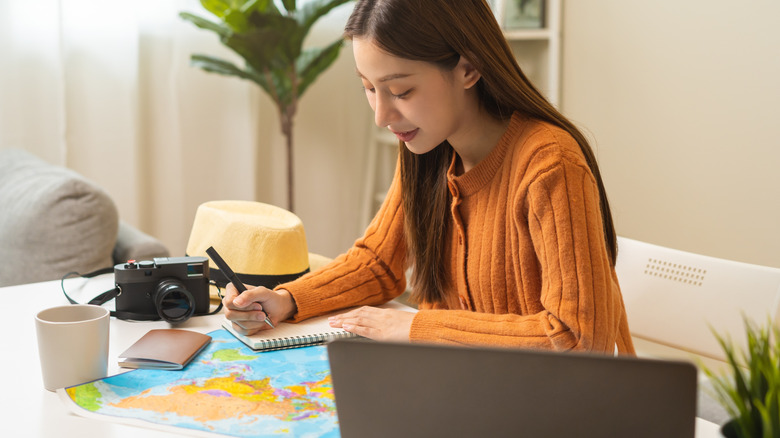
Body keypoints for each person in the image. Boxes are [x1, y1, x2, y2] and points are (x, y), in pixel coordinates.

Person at [223, 0, 635, 355]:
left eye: (401, 91)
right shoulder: (428, 148)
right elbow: (378, 263)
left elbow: (579, 337)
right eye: (369, 88)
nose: (382, 116)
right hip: (463, 385)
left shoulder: (550, 164)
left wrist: (418, 328)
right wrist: (286, 299)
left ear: (469, 68)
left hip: (558, 404)